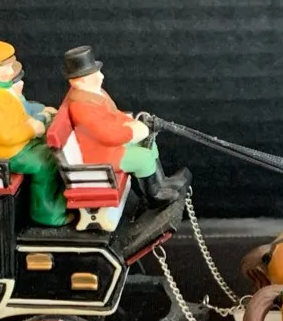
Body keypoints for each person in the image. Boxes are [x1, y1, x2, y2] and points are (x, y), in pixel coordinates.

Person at [58, 45, 188, 208]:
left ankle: (161, 182)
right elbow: (107, 136)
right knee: (143, 158)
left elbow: (114, 113)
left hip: (110, 145)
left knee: (148, 141)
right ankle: (153, 195)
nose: (101, 76)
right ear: (80, 80)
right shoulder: (82, 107)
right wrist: (132, 132)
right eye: (95, 74)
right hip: (102, 154)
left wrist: (129, 121)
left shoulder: (94, 93)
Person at [0, 40, 69, 227]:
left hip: (21, 143)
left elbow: (19, 111)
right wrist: (32, 129)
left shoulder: (0, 86)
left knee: (57, 147)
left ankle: (62, 198)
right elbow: (5, 136)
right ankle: (46, 214)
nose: (11, 71)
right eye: (6, 67)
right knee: (45, 163)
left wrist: (38, 117)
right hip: (9, 152)